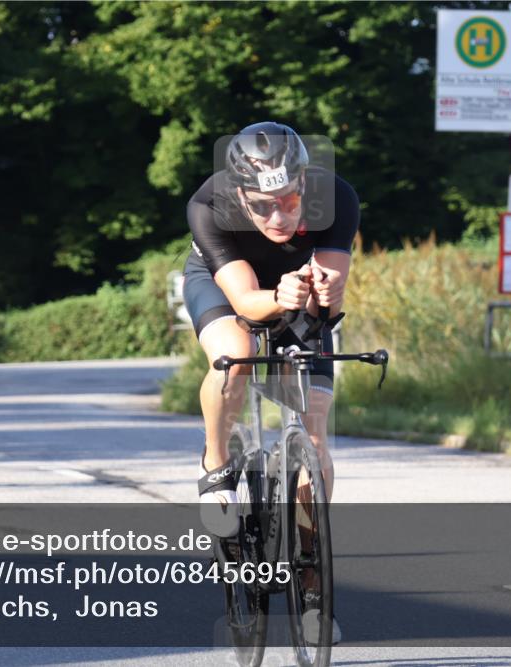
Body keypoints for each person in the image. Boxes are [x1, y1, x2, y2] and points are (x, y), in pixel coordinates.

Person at [183, 121, 359, 642]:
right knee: (235, 356)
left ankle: (310, 574)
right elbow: (244, 304)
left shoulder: (338, 199)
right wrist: (280, 297)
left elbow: (328, 310)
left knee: (317, 432)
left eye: (288, 200)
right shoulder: (209, 205)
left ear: (305, 183)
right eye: (262, 205)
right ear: (240, 194)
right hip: (228, 287)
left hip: (295, 291)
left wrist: (321, 295)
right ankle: (216, 462)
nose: (277, 216)